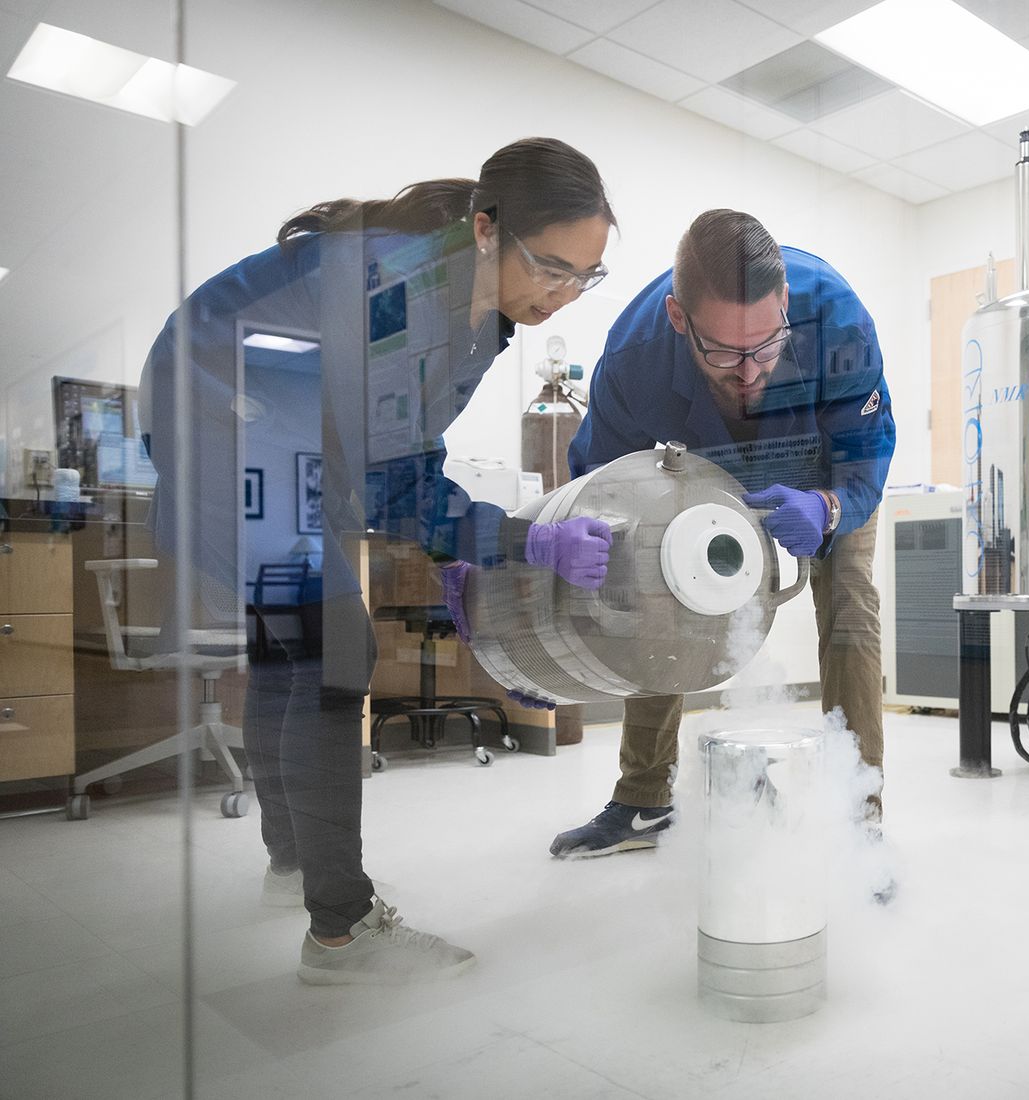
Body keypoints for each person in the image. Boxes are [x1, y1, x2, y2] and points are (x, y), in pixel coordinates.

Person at [140, 138, 617, 984]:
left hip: (254, 435)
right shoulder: (401, 287)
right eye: (551, 266)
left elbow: (405, 454)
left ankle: (298, 868)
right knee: (332, 655)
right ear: (485, 230)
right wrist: (515, 541)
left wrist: (468, 549)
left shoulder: (478, 316)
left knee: (292, 658)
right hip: (223, 427)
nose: (564, 293)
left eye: (585, 276)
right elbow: (397, 484)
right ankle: (341, 931)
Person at [546, 209, 896, 859]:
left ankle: (858, 821)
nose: (748, 371)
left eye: (764, 348)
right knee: (650, 582)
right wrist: (590, 547)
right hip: (704, 468)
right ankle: (644, 801)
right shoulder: (633, 359)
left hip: (822, 473)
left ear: (785, 303)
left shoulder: (839, 320)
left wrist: (828, 508)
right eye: (723, 353)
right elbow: (602, 483)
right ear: (679, 319)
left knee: (849, 599)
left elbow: (866, 452)